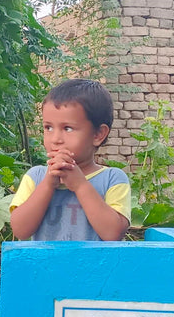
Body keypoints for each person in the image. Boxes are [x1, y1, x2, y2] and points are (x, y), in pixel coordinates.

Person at [10, 78, 131, 241]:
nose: (56, 139)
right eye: (48, 128)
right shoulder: (36, 177)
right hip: (46, 267)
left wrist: (80, 185)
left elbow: (113, 234)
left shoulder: (112, 179)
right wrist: (47, 184)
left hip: (94, 267)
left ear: (98, 134)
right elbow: (20, 230)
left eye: (67, 128)